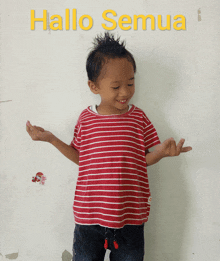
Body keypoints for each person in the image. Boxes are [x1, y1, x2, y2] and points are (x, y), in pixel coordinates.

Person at [26, 32, 192, 261]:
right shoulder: (86, 119)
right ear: (94, 86)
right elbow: (80, 158)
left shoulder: (138, 118)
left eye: (130, 83)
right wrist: (52, 139)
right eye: (116, 86)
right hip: (89, 219)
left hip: (130, 218)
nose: (125, 92)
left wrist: (161, 153)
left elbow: (142, 161)